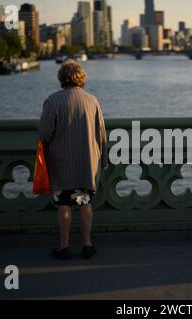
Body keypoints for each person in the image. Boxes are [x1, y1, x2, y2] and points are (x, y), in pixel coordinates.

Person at [38, 59, 108, 260]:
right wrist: (102, 160)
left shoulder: (53, 100)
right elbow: (101, 133)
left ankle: (64, 246)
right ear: (81, 78)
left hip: (61, 162)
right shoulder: (92, 100)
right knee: (84, 202)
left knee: (64, 204)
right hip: (86, 163)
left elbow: (44, 133)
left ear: (62, 78)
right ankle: (87, 245)